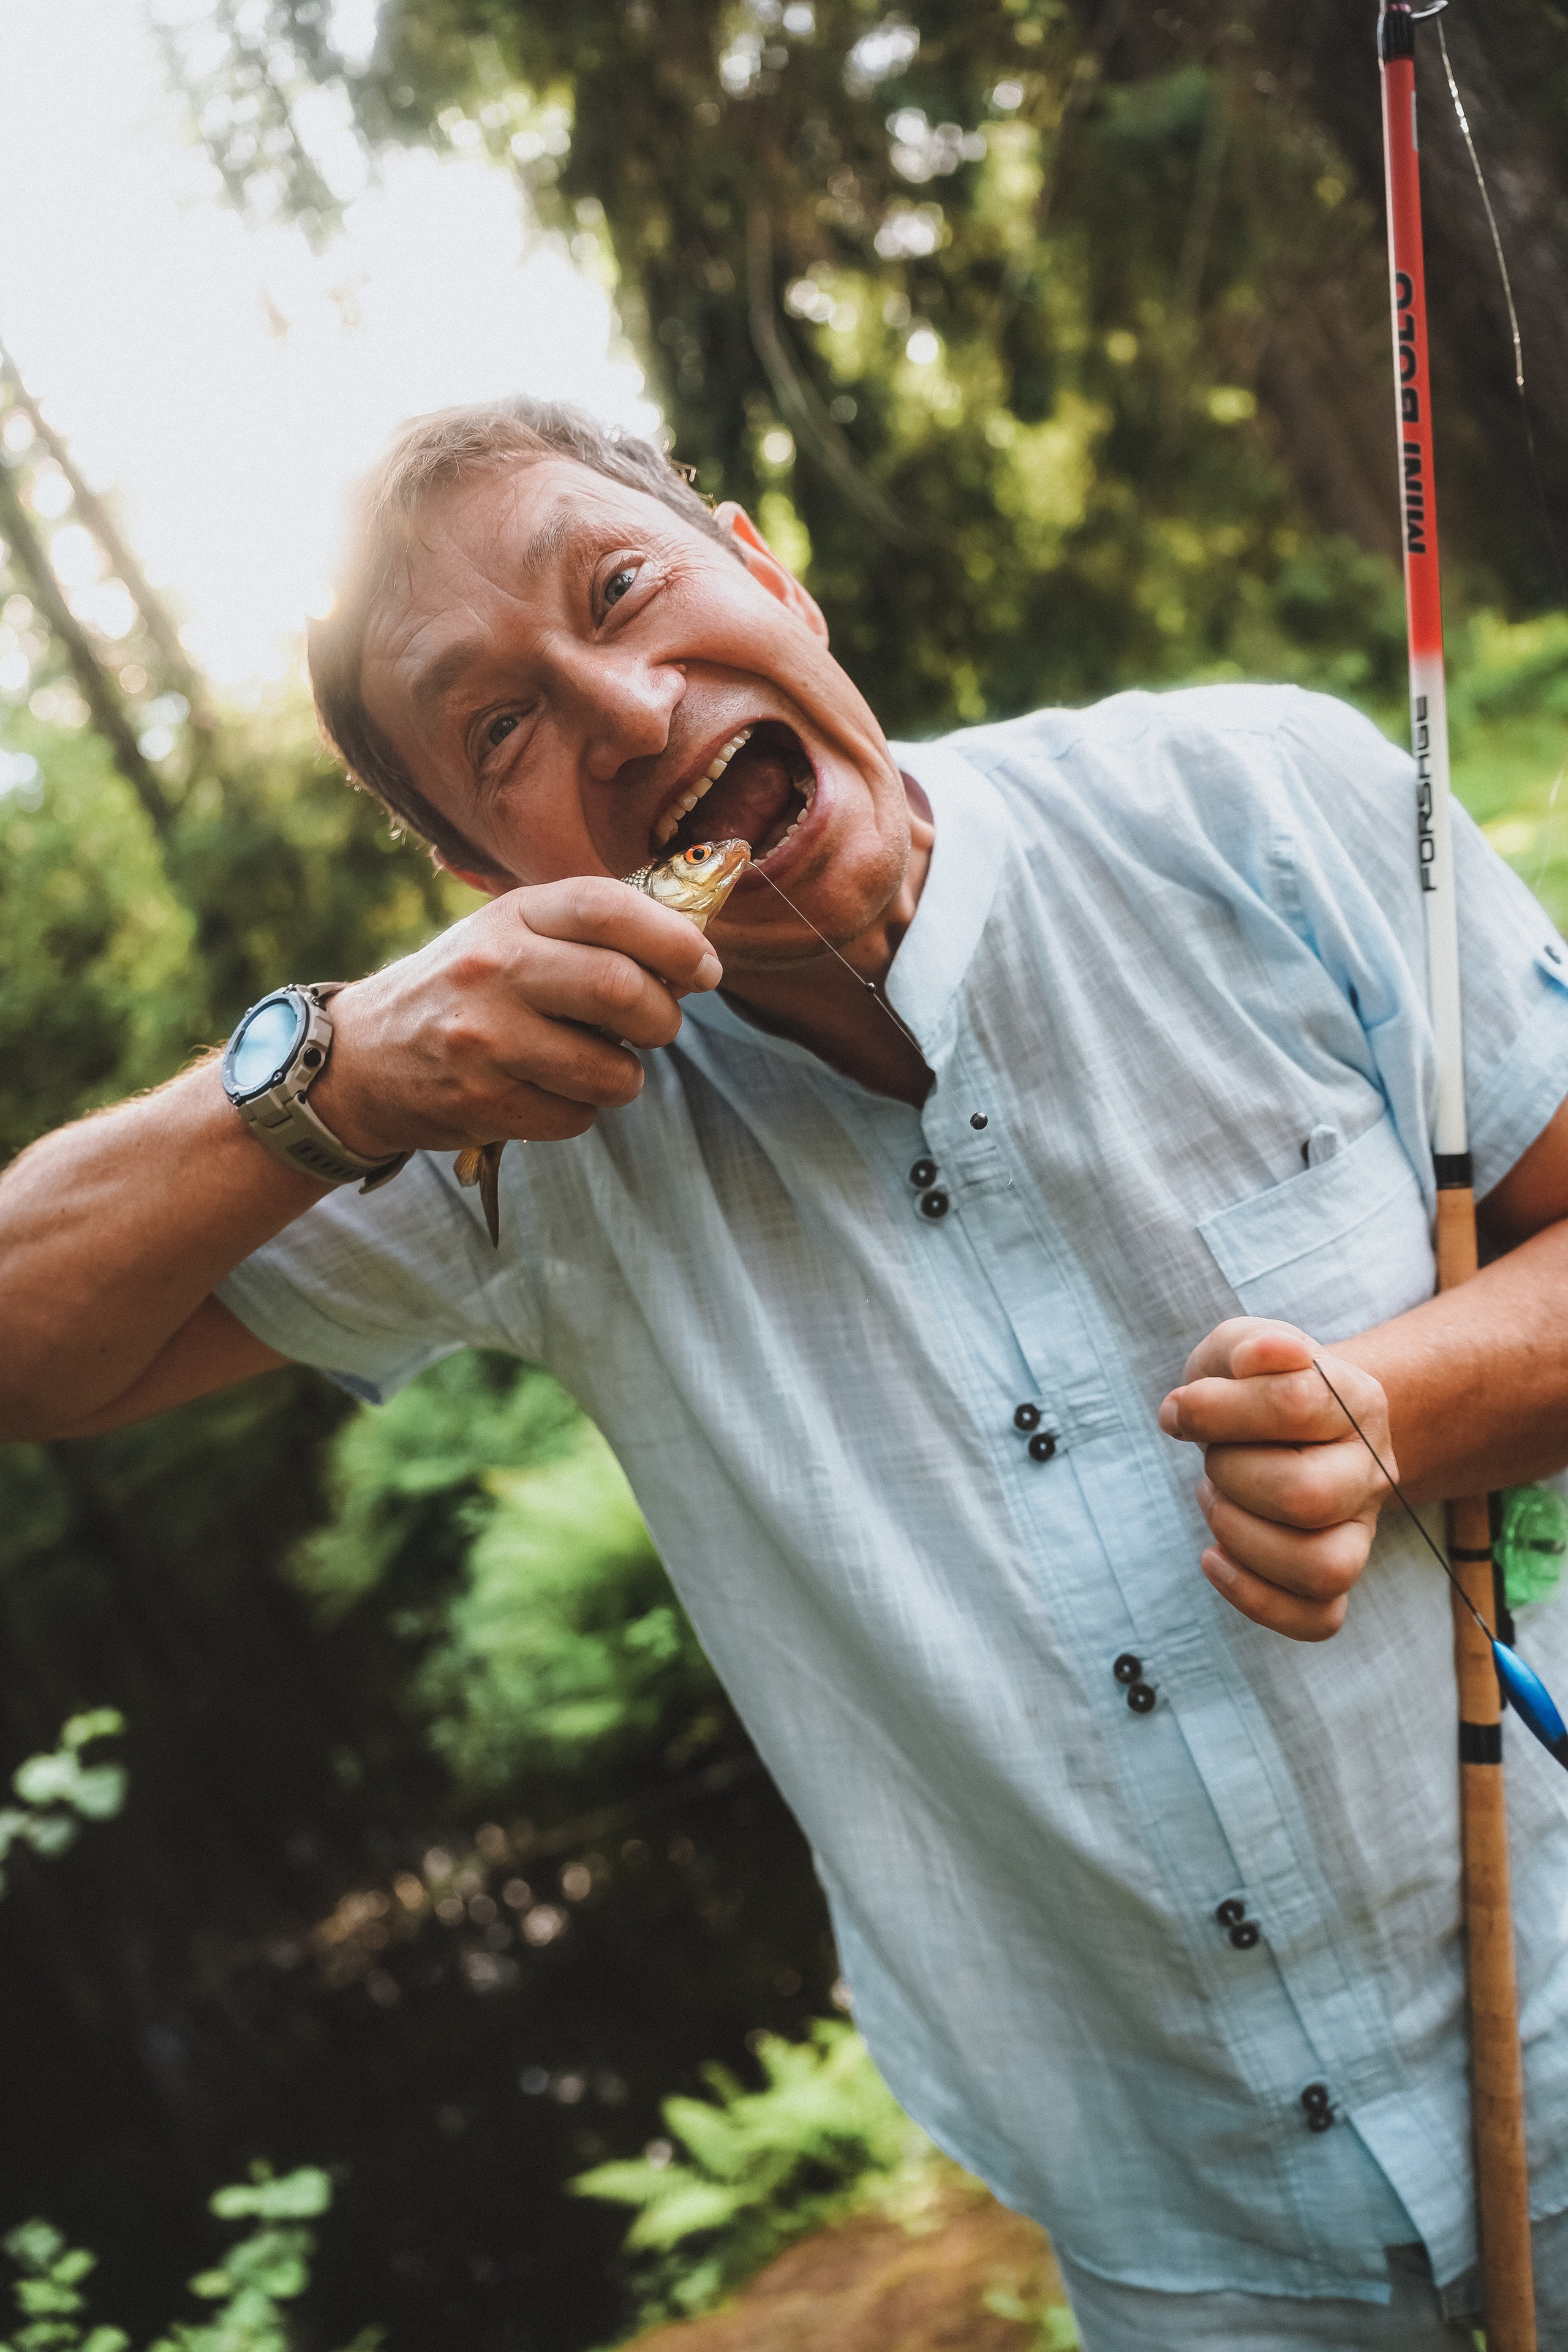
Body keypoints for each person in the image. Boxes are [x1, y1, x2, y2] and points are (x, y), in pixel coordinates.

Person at [6, 397, 1568, 2349]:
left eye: (625, 586)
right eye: (497, 729)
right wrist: (328, 1065)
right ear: (480, 874)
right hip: (1191, 2251)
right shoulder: (512, 1141)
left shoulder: (1253, 801)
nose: (623, 705)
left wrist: (1394, 1408)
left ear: (766, 565)